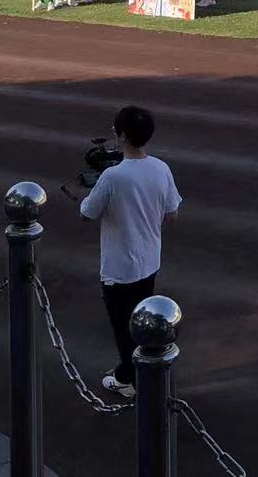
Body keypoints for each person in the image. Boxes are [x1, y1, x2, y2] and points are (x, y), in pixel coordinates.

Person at [79, 106, 182, 400]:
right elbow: (171, 214)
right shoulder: (161, 168)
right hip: (150, 260)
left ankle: (127, 378)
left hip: (119, 266)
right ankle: (144, 369)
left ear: (122, 135)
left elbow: (87, 213)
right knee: (143, 317)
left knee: (123, 325)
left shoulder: (113, 177)